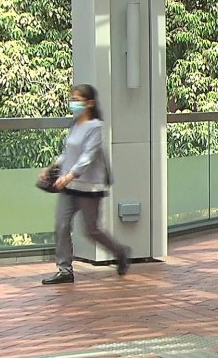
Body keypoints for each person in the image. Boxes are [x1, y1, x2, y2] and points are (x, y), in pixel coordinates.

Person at [42, 84, 131, 285]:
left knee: (92, 230)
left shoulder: (95, 127)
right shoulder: (75, 124)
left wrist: (69, 175)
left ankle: (120, 252)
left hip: (89, 187)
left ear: (89, 103)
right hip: (69, 186)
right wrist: (53, 167)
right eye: (72, 99)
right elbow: (69, 152)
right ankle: (65, 270)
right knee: (61, 224)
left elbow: (87, 157)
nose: (73, 103)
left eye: (77, 100)